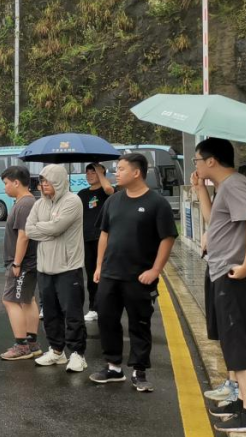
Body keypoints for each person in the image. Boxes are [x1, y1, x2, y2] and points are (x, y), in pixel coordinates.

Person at [190, 138, 246, 432]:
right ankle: (239, 401)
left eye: (197, 160)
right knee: (230, 338)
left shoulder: (234, 185)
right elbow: (215, 222)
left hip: (234, 274)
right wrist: (200, 190)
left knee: (239, 340)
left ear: (211, 161)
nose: (195, 166)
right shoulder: (225, 187)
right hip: (222, 271)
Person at [90, 153, 176, 391]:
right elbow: (104, 234)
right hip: (110, 274)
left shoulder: (157, 203)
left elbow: (168, 238)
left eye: (121, 169)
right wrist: (99, 266)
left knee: (140, 323)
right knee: (107, 320)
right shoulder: (113, 201)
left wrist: (155, 270)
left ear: (136, 172)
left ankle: (139, 371)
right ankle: (113, 367)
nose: (115, 173)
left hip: (139, 277)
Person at [25, 164, 88, 372]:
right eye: (42, 181)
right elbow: (29, 230)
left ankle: (78, 354)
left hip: (68, 267)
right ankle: (56, 350)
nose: (44, 185)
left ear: (59, 181)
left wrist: (46, 228)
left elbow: (57, 228)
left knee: (72, 313)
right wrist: (49, 229)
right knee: (50, 313)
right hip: (45, 268)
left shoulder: (72, 201)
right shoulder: (39, 204)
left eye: (48, 181)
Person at [0, 166, 42, 361]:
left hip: (23, 263)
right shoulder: (28, 202)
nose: (5, 187)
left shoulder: (24, 204)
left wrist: (16, 263)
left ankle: (22, 346)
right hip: (28, 262)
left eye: (6, 183)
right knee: (27, 300)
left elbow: (24, 236)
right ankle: (31, 343)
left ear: (16, 182)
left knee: (10, 300)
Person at [78, 163, 115, 322]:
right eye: (87, 173)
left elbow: (109, 189)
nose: (89, 175)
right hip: (86, 238)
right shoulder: (82, 193)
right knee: (91, 273)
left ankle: (107, 306)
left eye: (93, 172)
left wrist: (100, 172)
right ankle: (94, 308)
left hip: (104, 239)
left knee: (105, 273)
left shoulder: (106, 192)